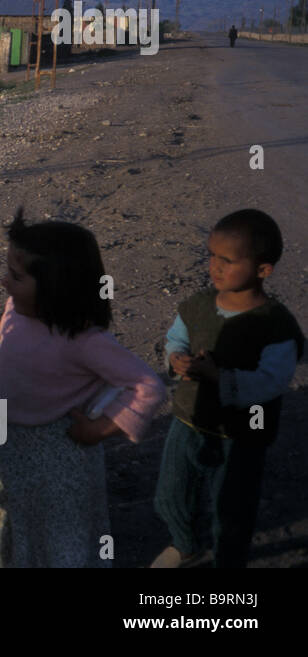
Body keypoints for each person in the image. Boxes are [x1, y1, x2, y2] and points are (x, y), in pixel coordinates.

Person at [0, 210, 165, 568]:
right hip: (13, 445)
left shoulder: (83, 341)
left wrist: (99, 429)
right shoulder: (16, 310)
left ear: (57, 288)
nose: (5, 282)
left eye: (17, 276)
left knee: (58, 539)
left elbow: (147, 386)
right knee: (12, 524)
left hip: (62, 455)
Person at [151, 209, 303, 568]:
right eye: (212, 256)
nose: (214, 267)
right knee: (171, 494)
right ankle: (185, 544)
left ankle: (228, 560)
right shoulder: (198, 306)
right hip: (187, 418)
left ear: (263, 270)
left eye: (227, 260)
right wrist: (177, 360)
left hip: (241, 434)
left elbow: (272, 381)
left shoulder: (275, 325)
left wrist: (222, 377)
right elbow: (175, 339)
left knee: (232, 506)